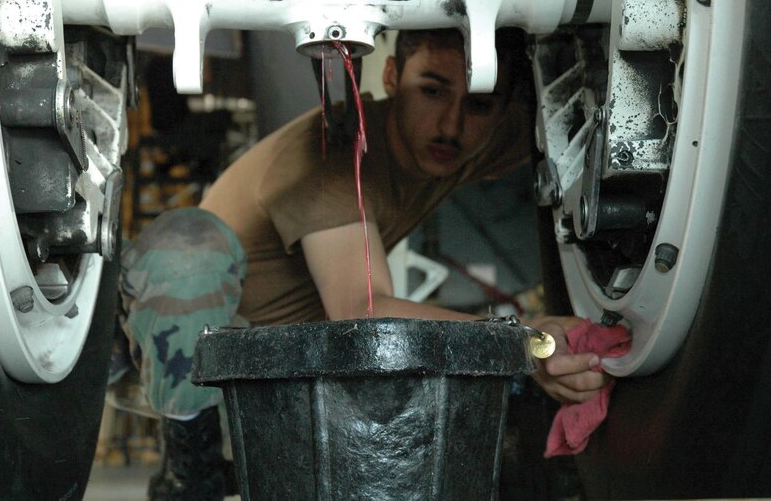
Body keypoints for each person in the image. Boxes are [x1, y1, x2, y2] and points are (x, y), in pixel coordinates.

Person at [116, 28, 609, 500]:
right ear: (392, 78)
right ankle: (190, 471)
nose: (451, 125)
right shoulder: (334, 152)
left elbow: (569, 126)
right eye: (432, 91)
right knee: (186, 242)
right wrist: (526, 342)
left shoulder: (453, 142)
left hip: (286, 382)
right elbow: (364, 313)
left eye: (477, 105)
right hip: (180, 361)